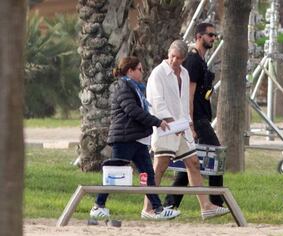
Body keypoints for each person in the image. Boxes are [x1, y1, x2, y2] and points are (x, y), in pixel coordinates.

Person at [146, 40, 229, 219]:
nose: (174, 60)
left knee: (193, 163)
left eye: (178, 58)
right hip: (164, 127)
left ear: (183, 59)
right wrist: (169, 121)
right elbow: (156, 101)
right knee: (160, 166)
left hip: (182, 127)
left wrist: (188, 125)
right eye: (172, 56)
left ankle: (206, 206)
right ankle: (148, 208)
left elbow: (184, 102)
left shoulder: (184, 73)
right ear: (168, 54)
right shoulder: (157, 73)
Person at [89, 57, 181, 221]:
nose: (142, 72)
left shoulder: (135, 88)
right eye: (139, 69)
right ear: (130, 71)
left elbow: (138, 111)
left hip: (137, 138)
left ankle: (157, 209)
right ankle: (98, 206)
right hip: (125, 138)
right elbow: (132, 110)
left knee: (148, 174)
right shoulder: (124, 87)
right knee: (114, 172)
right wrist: (156, 122)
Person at [163, 23, 224, 209]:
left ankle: (171, 203)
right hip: (196, 119)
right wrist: (190, 124)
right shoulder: (193, 60)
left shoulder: (201, 61)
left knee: (189, 160)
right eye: (210, 35)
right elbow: (188, 95)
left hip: (201, 117)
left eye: (215, 35)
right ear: (199, 36)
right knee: (216, 155)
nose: (213, 38)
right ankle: (216, 202)